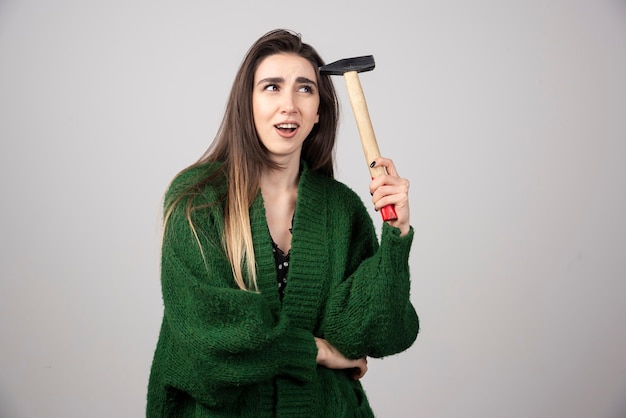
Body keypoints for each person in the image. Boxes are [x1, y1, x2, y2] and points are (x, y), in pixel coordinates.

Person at [146, 28, 419, 417]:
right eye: (272, 87)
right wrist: (315, 350)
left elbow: (377, 332)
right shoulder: (197, 200)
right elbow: (210, 329)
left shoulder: (341, 209)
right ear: (248, 103)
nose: (289, 105)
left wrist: (397, 233)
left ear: (319, 111)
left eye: (305, 89)